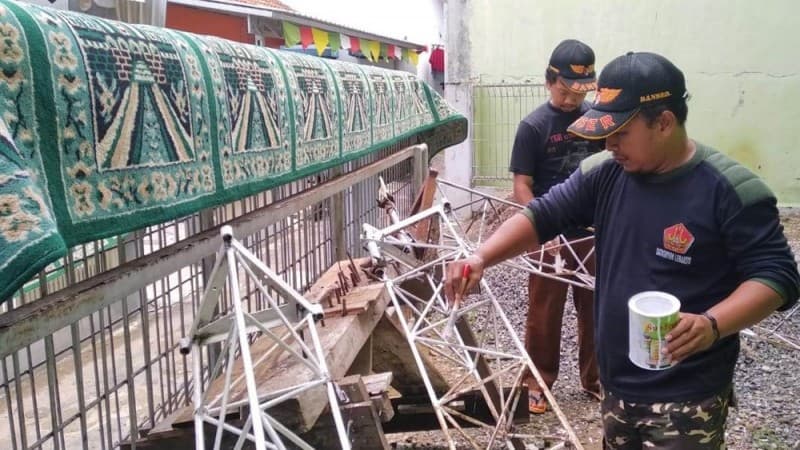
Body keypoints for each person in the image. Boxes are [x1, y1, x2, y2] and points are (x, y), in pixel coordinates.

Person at [446, 51, 800, 449]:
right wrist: (480, 257)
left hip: (687, 398)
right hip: (618, 390)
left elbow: (777, 277)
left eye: (621, 132)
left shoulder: (729, 190)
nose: (608, 143)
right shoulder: (604, 174)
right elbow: (542, 216)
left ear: (664, 122)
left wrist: (712, 324)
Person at [507, 39, 603, 414]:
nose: (570, 101)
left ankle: (595, 380)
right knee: (544, 312)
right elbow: (521, 185)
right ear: (549, 81)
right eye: (564, 91)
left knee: (597, 308)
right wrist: (539, 229)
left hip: (593, 233)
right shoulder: (533, 126)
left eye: (578, 93)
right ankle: (537, 381)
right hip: (549, 232)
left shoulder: (597, 121)